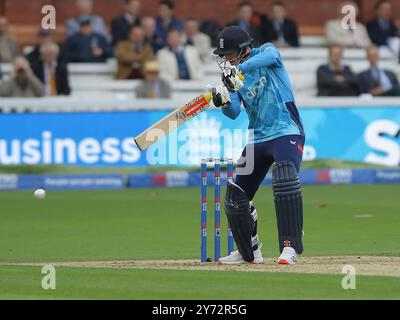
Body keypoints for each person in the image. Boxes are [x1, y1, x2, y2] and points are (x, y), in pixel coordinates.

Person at [210, 26, 305, 265]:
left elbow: (271, 57)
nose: (225, 60)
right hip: (258, 139)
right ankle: (248, 252)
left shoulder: (267, 51)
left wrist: (239, 70)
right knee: (236, 196)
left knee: (284, 177)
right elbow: (233, 112)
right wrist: (222, 101)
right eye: (223, 56)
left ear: (243, 50)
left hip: (286, 131)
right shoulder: (233, 78)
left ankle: (290, 248)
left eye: (229, 54)